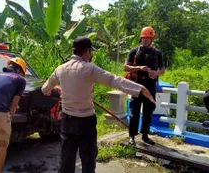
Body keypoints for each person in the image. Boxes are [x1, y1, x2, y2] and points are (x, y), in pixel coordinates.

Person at [41, 36, 156, 173]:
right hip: (86, 122)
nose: (90, 55)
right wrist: (140, 89)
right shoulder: (90, 69)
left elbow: (45, 89)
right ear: (86, 51)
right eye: (90, 52)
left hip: (67, 121)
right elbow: (113, 80)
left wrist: (55, 90)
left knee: (67, 158)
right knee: (88, 159)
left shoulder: (60, 69)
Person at [124, 26, 165, 146]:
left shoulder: (157, 53)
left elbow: (162, 70)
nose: (145, 40)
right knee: (134, 111)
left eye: (147, 38)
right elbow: (126, 67)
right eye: (143, 38)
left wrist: (155, 73)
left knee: (148, 111)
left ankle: (145, 135)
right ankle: (131, 135)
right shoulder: (134, 51)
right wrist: (138, 67)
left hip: (150, 85)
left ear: (152, 39)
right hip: (137, 84)